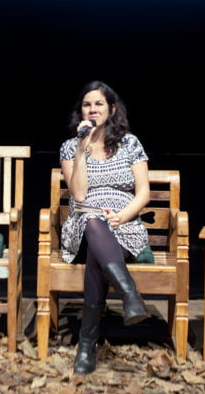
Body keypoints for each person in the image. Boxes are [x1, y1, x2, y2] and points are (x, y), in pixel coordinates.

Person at [59, 81, 151, 374]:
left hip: (124, 224)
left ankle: (86, 345)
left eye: (98, 104)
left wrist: (123, 216)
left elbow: (143, 192)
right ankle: (130, 295)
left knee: (97, 261)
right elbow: (80, 195)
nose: (92, 109)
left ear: (111, 109)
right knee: (90, 218)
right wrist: (81, 150)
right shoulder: (70, 147)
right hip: (85, 226)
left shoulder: (130, 143)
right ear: (81, 111)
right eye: (87, 105)